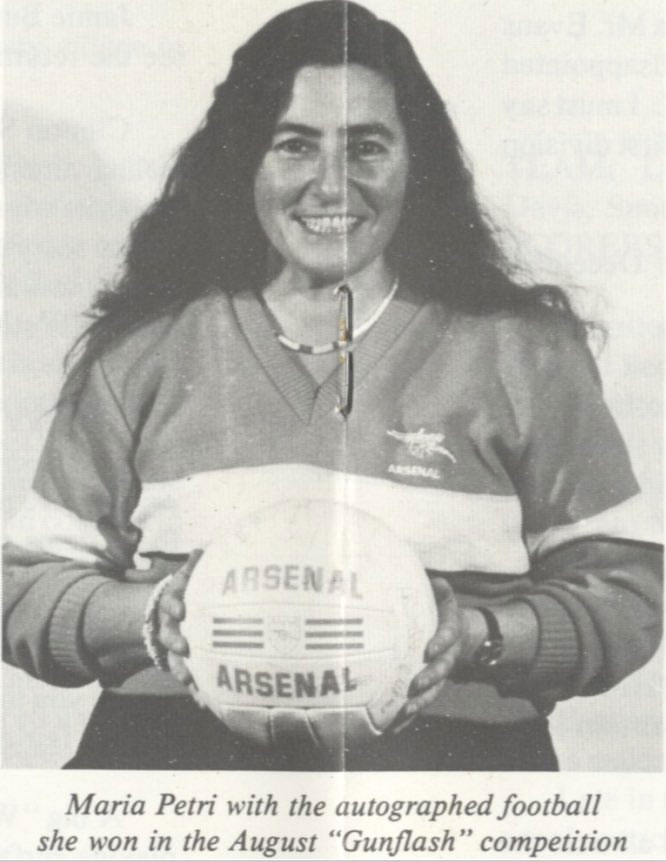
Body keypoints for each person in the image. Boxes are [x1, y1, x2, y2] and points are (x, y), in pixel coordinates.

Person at [3, 0, 662, 771]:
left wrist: (476, 637)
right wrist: (153, 618)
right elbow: (21, 590)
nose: (330, 184)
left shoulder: (523, 353)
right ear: (244, 159)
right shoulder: (142, 351)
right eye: (294, 145)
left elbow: (628, 597)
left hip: (449, 790)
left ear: (417, 162)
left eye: (366, 147)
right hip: (173, 784)